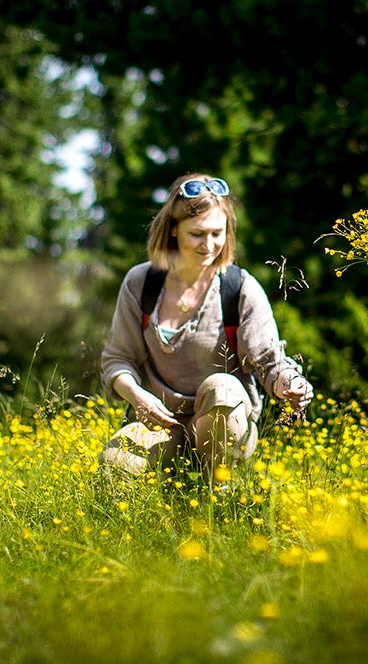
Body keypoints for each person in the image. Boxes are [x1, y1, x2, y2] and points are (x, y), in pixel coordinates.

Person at [99, 173, 314, 482]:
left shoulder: (238, 288)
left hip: (224, 423)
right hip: (160, 425)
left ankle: (219, 497)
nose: (210, 245)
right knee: (115, 462)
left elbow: (269, 361)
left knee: (222, 387)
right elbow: (117, 360)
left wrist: (289, 384)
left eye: (218, 233)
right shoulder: (140, 283)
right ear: (173, 230)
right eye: (197, 234)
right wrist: (137, 397)